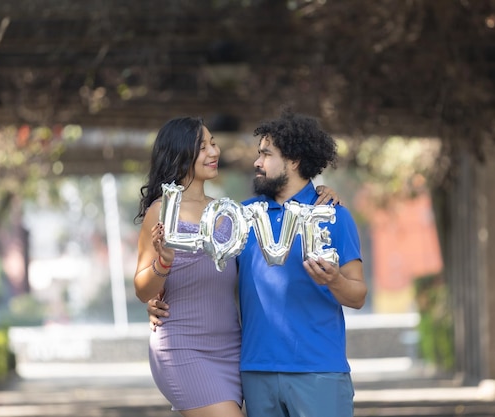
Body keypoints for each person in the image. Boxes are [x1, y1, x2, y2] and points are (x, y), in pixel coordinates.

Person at [149, 110, 368, 417]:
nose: (256, 162)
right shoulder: (241, 217)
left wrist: (335, 281)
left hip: (318, 370)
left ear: (293, 160)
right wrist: (157, 298)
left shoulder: (333, 215)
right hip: (255, 372)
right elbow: (200, 269)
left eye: (265, 154)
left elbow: (358, 295)